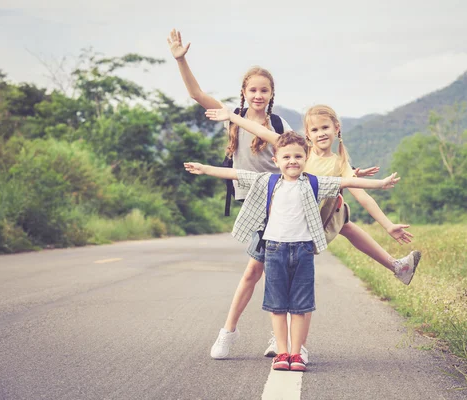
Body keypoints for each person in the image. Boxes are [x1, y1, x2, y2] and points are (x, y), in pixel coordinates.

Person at [168, 29, 378, 362]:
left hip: (281, 201)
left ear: (271, 93)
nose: (258, 95)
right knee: (257, 272)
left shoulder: (278, 125)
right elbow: (196, 94)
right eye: (252, 90)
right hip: (252, 199)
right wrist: (181, 59)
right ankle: (230, 333)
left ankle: (284, 341)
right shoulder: (230, 117)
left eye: (264, 90)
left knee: (276, 268)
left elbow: (301, 152)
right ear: (244, 92)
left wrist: (344, 176)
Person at [206, 105, 422, 356]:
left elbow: (362, 194)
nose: (320, 133)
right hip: (274, 223)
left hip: (303, 230)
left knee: (302, 284)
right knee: (252, 273)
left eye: (325, 128)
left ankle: (293, 345)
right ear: (307, 134)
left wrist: (388, 224)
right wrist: (232, 117)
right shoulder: (300, 150)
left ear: (336, 129)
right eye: (315, 129)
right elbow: (263, 133)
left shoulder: (340, 163)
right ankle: (229, 332)